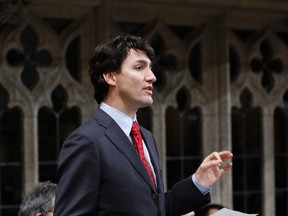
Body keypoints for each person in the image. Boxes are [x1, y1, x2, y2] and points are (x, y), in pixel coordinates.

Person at [54, 33, 233, 216]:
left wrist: (198, 182)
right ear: (110, 77)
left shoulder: (146, 137)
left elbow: (155, 209)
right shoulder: (86, 141)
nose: (152, 77)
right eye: (139, 67)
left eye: (151, 68)